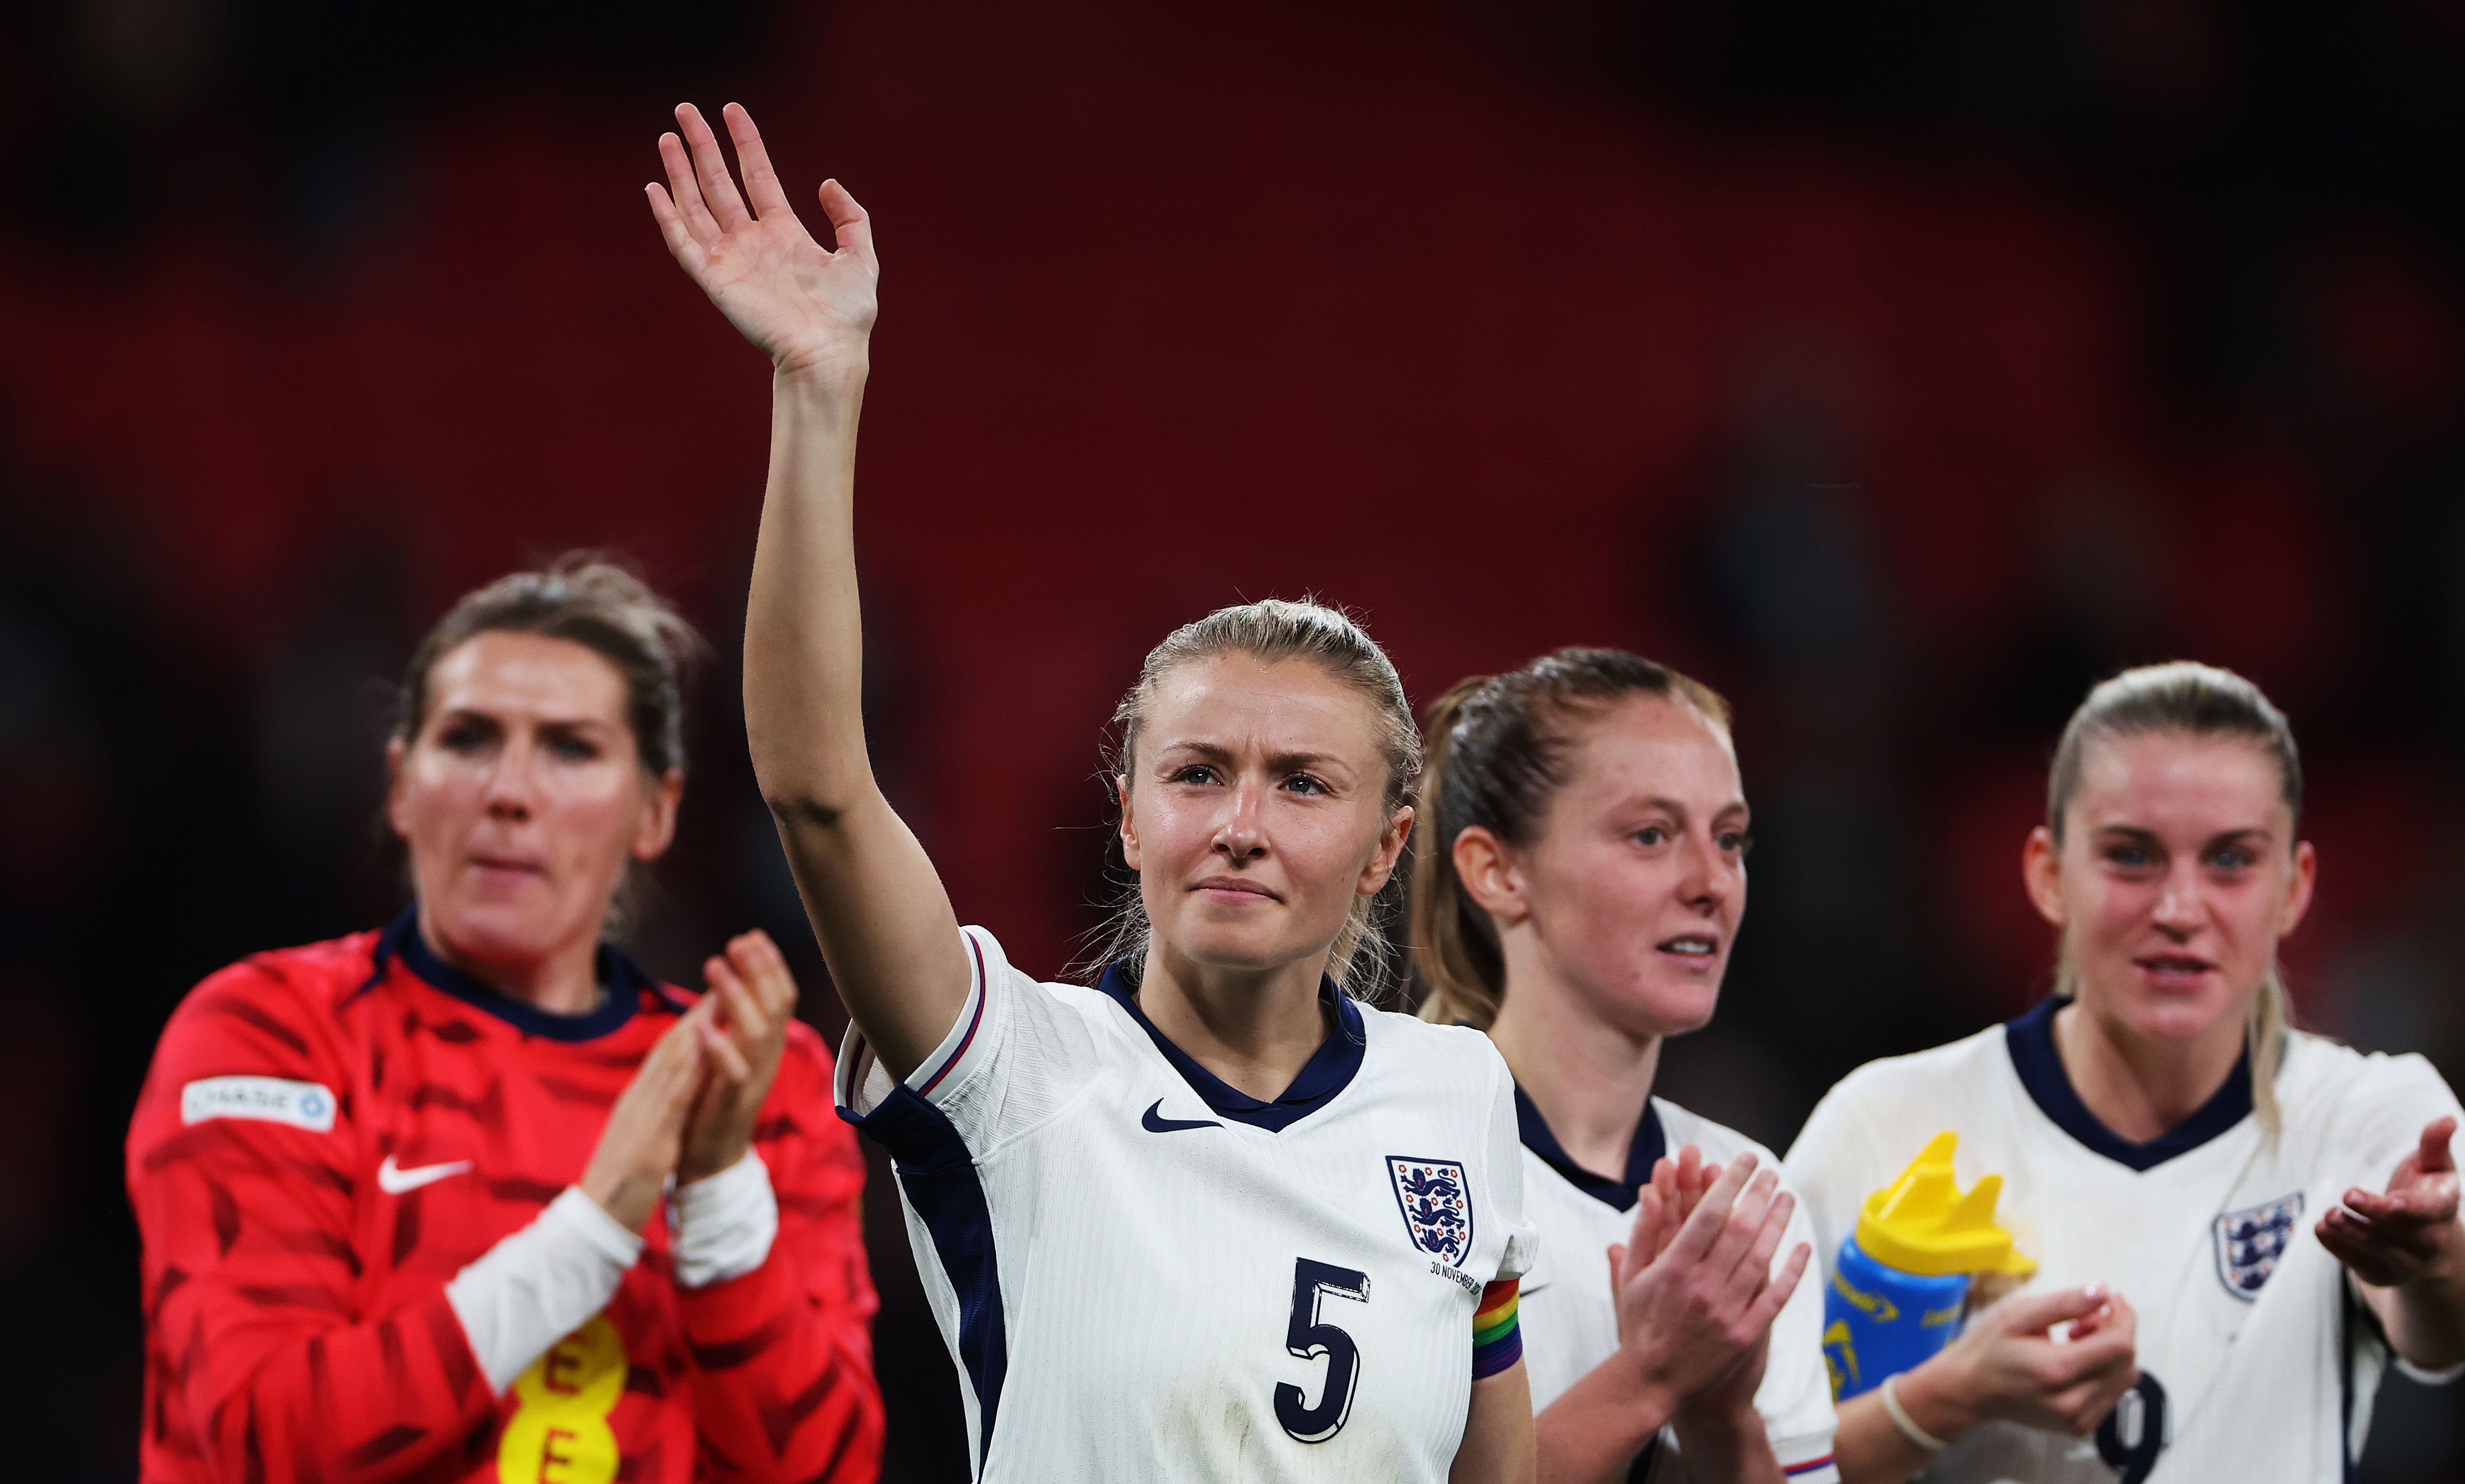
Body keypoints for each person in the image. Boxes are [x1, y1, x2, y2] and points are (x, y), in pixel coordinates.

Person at [645, 101, 1537, 1482]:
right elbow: (818, 788)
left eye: (1303, 783)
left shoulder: (1458, 1089)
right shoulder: (1017, 1067)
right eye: (1196, 774)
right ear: (1127, 816)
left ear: (1386, 846)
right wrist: (818, 389)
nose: (1239, 822)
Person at [126, 559, 883, 1484]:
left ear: (656, 810)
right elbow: (260, 1441)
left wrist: (719, 1186)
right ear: (402, 785)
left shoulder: (755, 1084)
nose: (509, 791)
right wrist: (597, 1227)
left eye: (571, 748)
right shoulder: (270, 1032)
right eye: (469, 738)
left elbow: (821, 1472)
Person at [1783, 661, 2465, 1484]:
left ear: (2293, 888)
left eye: (2230, 860)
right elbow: (1743, 1464)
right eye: (2132, 856)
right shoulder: (1888, 1118)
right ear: (2047, 873)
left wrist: (2434, 1255)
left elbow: (2455, 1329)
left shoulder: (2367, 1114)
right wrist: (1942, 1401)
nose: (2178, 909)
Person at [1412, 649, 1839, 1483]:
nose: (1712, 882)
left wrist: (1720, 1414)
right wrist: (1650, 1376)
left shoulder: (1744, 1193)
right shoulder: (1402, 1154)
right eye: (1650, 835)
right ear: (1496, 871)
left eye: (1730, 839)